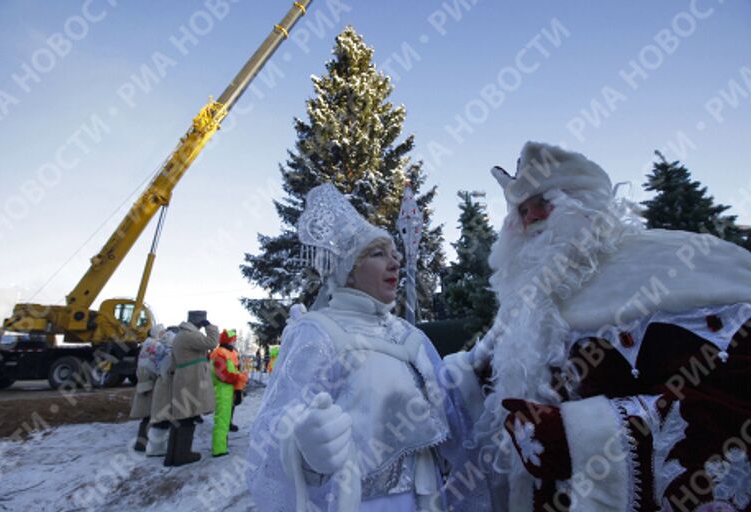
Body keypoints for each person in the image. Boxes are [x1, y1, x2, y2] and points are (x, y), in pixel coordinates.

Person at [468, 141, 751, 511]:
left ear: (586, 206)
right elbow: (483, 370)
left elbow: (728, 399)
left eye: (544, 202)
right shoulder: (528, 303)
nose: (531, 217)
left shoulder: (674, 264)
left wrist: (579, 435)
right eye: (521, 209)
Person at [246, 183, 482, 512]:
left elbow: (452, 410)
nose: (394, 263)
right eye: (377, 254)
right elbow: (273, 424)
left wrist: (478, 367)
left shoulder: (409, 335)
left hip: (428, 500)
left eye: (394, 255)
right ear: (349, 273)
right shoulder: (318, 331)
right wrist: (302, 447)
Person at [165, 311, 219, 467]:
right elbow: (211, 342)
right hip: (191, 379)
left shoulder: (180, 336)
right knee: (187, 418)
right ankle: (182, 455)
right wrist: (210, 327)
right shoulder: (190, 335)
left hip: (184, 377)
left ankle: (173, 455)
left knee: (181, 418)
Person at [210, 328, 248, 457]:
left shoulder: (229, 353)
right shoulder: (220, 353)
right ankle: (219, 448)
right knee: (222, 419)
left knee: (225, 419)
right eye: (233, 340)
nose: (234, 343)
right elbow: (223, 375)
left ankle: (222, 444)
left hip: (228, 389)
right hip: (222, 389)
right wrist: (239, 377)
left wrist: (238, 387)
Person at [129, 323, 166, 452]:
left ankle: (141, 443)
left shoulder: (146, 344)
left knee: (146, 415)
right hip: (152, 384)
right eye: (162, 333)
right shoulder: (156, 346)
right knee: (152, 414)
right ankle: (146, 444)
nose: (164, 335)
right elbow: (157, 365)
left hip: (143, 383)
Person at [146, 326, 176, 456]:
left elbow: (151, 367)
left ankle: (155, 447)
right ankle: (156, 449)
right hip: (166, 387)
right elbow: (171, 369)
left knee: (160, 417)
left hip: (160, 385)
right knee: (163, 418)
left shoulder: (157, 352)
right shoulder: (168, 354)